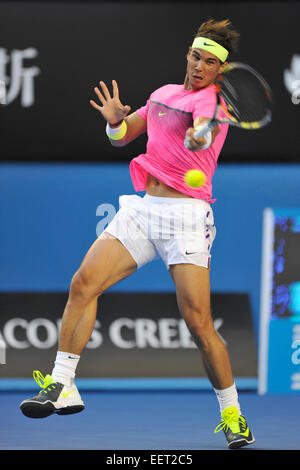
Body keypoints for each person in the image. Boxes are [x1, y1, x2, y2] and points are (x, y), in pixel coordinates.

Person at [20, 18, 255, 449]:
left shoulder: (213, 106)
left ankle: (232, 413)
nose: (200, 66)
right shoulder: (163, 94)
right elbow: (124, 136)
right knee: (83, 284)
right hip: (143, 209)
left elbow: (203, 135)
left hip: (186, 217)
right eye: (196, 56)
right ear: (187, 55)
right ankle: (62, 384)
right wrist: (114, 123)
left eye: (210, 62)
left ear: (220, 71)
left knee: (198, 321)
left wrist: (203, 135)